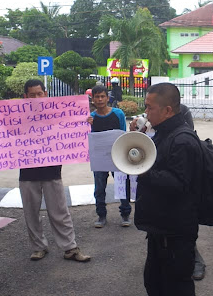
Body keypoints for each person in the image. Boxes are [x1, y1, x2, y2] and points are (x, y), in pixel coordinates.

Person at [135, 83, 202, 296]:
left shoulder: (182, 140)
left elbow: (180, 184)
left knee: (176, 291)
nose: (147, 113)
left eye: (150, 108)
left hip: (175, 233)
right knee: (155, 283)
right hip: (160, 228)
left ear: (167, 110)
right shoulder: (163, 134)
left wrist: (145, 173)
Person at [18, 79, 91, 262]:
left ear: (46, 94)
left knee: (59, 211)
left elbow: (73, 123)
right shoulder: (16, 116)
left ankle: (70, 248)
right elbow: (2, 133)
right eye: (32, 95)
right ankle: (38, 247)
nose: (36, 98)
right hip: (27, 172)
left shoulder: (56, 113)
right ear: (25, 97)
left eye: (39, 93)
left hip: (52, 170)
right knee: (30, 212)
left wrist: (85, 120)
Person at [86, 85, 130, 228]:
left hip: (117, 157)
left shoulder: (118, 114)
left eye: (102, 96)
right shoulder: (90, 118)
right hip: (99, 159)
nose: (99, 99)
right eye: (96, 97)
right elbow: (86, 138)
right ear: (92, 99)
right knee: (99, 188)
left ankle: (125, 214)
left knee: (122, 185)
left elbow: (123, 134)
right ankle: (101, 215)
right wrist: (86, 125)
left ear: (107, 98)